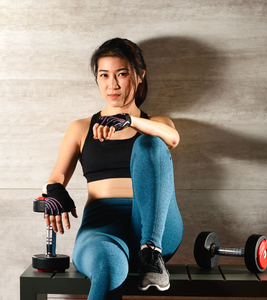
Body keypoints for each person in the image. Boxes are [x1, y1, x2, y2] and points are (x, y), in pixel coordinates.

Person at [42, 38, 183, 299]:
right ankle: (124, 257)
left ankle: (151, 252)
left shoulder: (156, 123)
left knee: (150, 144)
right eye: (104, 75)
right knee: (108, 266)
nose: (112, 84)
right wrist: (54, 191)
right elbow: (57, 176)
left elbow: (172, 139)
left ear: (140, 76)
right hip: (101, 226)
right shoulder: (81, 127)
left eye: (122, 74)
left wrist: (130, 121)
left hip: (156, 227)